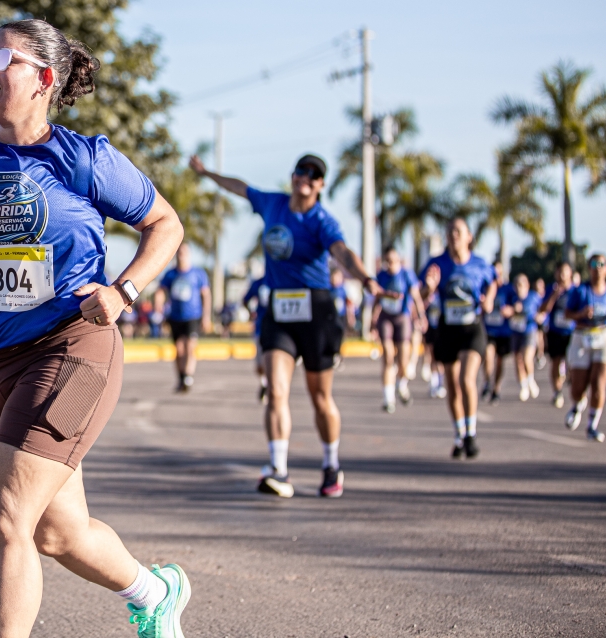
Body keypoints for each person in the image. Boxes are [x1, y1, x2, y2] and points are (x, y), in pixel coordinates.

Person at [0, 19, 189, 638]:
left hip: (72, 346)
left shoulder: (84, 158)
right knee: (57, 532)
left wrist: (123, 291)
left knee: (3, 518)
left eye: (4, 58)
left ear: (44, 79)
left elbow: (166, 225)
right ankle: (156, 591)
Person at [190, 151, 381, 499]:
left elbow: (342, 252)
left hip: (316, 311)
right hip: (279, 310)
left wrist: (367, 280)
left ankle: (331, 464)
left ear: (321, 185)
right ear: (293, 176)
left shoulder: (322, 220)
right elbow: (240, 188)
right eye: (300, 171)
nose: (305, 177)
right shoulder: (273, 204)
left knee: (320, 397)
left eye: (313, 175)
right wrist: (206, 173)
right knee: (276, 389)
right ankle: (279, 469)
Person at [420, 218, 497, 459]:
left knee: (466, 379)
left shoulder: (479, 264)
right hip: (448, 329)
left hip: (471, 328)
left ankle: (470, 434)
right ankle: (459, 434)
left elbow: (493, 282)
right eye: (450, 231)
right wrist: (429, 287)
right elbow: (422, 293)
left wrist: (489, 300)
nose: (453, 235)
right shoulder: (437, 263)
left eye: (458, 231)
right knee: (452, 385)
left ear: (468, 237)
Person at [563, 253, 606, 442]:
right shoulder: (580, 291)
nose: (598, 268)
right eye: (594, 264)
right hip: (582, 337)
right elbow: (567, 314)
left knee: (598, 383)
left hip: (604, 338)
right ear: (589, 268)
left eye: (601, 264)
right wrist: (581, 314)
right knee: (578, 387)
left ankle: (592, 425)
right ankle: (578, 404)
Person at [371, 247, 427, 413]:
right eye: (387, 261)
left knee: (403, 360)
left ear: (399, 261)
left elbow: (416, 296)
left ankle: (401, 385)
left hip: (402, 318)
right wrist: (372, 321)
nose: (391, 265)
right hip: (386, 318)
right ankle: (388, 398)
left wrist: (421, 315)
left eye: (394, 261)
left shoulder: (406, 274)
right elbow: (377, 299)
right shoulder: (381, 276)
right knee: (388, 357)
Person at [159, 244, 211, 392]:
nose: (181, 255)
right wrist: (159, 308)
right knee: (179, 349)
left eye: (184, 252)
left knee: (190, 346)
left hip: (193, 315)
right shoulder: (170, 274)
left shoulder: (198, 274)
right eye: (179, 252)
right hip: (175, 316)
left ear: (189, 254)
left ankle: (188, 375)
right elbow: (160, 291)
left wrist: (206, 317)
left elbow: (206, 295)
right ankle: (181, 377)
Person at [538, 261, 576, 408]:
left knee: (572, 363)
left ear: (570, 273)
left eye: (564, 271)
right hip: (555, 332)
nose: (562, 275)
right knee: (555, 362)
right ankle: (557, 391)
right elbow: (543, 309)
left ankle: (573, 384)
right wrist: (554, 295)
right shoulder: (551, 289)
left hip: (572, 333)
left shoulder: (576, 291)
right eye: (559, 272)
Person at [501, 273, 542, 402]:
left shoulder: (533, 297)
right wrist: (513, 310)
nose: (519, 288)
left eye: (521, 284)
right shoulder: (511, 297)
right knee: (517, 359)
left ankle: (530, 379)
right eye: (517, 285)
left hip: (529, 331)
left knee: (526, 357)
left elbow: (542, 311)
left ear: (527, 285)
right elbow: (504, 311)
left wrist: (539, 317)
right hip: (515, 332)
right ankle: (523, 385)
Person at [481, 260, 512, 404]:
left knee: (500, 361)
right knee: (488, 356)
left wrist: (510, 310)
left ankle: (496, 388)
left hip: (504, 331)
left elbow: (516, 305)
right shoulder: (484, 287)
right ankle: (487, 382)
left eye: (499, 272)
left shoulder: (508, 289)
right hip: (488, 329)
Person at [243, 276, 269, 403]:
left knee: (273, 360)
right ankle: (264, 383)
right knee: (260, 365)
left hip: (279, 329)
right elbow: (245, 299)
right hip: (261, 327)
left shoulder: (282, 278)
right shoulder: (258, 283)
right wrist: (251, 313)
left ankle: (272, 385)